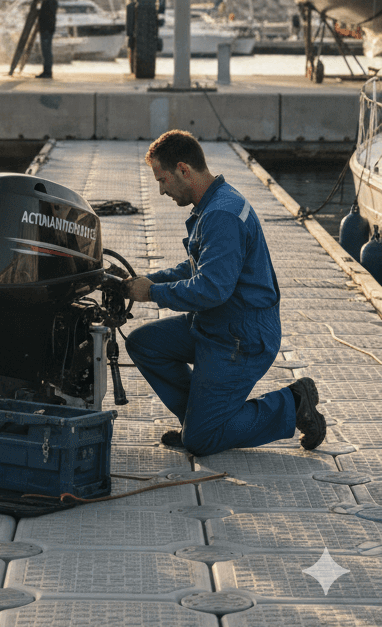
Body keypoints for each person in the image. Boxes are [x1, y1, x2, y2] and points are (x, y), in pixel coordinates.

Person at [120, 129, 326, 456]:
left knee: (202, 442)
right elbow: (197, 268)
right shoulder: (217, 202)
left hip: (241, 337)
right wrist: (143, 282)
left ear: (183, 171)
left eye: (163, 180)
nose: (161, 191)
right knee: (144, 344)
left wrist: (152, 294)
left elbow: (211, 289)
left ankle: (293, 402)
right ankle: (197, 419)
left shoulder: (220, 214)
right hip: (219, 324)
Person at [35, 0, 58, 79]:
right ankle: (46, 71)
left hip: (47, 29)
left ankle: (47, 72)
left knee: (46, 51)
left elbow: (46, 15)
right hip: (46, 29)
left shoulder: (50, 1)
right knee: (45, 51)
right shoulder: (49, 1)